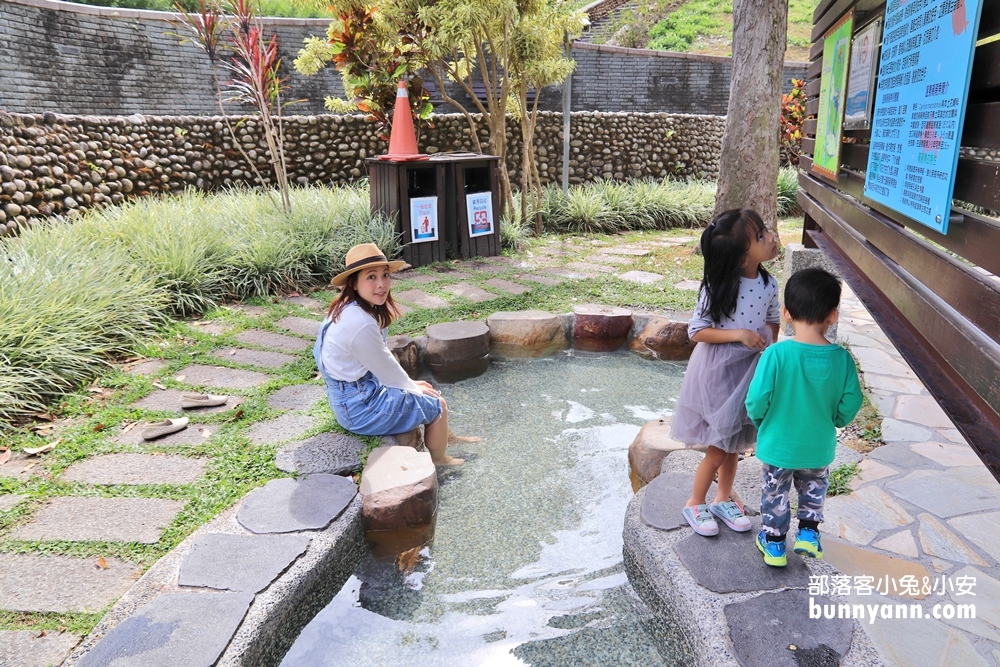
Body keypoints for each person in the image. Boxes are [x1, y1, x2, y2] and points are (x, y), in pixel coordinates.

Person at [672, 209, 780, 536]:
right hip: (719, 373)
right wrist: (740, 335)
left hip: (749, 370)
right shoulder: (720, 287)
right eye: (761, 236)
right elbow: (697, 332)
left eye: (764, 230)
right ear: (740, 258)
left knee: (734, 443)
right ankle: (694, 501)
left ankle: (723, 498)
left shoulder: (768, 282)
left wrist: (767, 336)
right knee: (719, 445)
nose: (772, 235)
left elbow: (774, 319)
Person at [745, 268, 863, 567]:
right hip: (817, 447)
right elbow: (851, 401)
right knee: (813, 489)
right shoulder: (842, 359)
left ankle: (773, 544)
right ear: (832, 316)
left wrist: (763, 423)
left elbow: (756, 399)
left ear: (786, 313)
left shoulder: (775, 355)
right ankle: (808, 535)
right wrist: (835, 419)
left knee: (775, 492)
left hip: (778, 446)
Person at [314, 243, 465, 467]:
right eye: (371, 277)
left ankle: (444, 437)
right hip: (360, 408)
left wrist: (411, 384)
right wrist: (413, 387)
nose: (382, 284)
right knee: (437, 404)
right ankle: (440, 460)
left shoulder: (346, 308)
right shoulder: (359, 322)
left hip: (351, 398)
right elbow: (386, 370)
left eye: (385, 275)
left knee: (424, 390)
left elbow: (379, 361)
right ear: (354, 283)